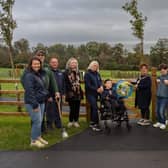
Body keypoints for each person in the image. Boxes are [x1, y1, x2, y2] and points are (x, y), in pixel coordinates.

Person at [21, 57, 49, 148]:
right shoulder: (29, 75)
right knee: (36, 121)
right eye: (35, 64)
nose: (37, 65)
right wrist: (34, 104)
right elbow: (29, 91)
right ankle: (33, 141)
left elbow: (41, 87)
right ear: (31, 65)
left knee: (39, 121)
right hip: (33, 102)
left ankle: (38, 137)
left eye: (38, 63)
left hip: (41, 100)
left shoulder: (38, 74)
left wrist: (45, 94)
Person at [35, 50, 60, 133]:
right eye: (39, 55)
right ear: (36, 56)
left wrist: (56, 91)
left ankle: (42, 129)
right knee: (37, 113)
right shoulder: (33, 66)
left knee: (43, 112)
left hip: (45, 94)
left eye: (42, 55)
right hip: (35, 94)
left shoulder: (47, 68)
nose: (41, 56)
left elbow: (52, 81)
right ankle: (37, 131)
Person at [46, 57, 65, 130]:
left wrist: (63, 94)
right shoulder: (48, 72)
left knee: (58, 109)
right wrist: (48, 96)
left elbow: (63, 84)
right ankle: (49, 125)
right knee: (50, 111)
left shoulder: (60, 72)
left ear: (58, 63)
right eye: (53, 62)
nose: (54, 64)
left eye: (56, 62)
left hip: (59, 95)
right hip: (50, 95)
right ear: (50, 63)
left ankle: (58, 124)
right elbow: (46, 85)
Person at [84, 60, 103, 131]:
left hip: (96, 94)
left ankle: (92, 122)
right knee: (95, 108)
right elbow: (88, 85)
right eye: (94, 65)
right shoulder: (87, 74)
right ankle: (95, 124)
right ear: (91, 65)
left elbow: (100, 81)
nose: (95, 66)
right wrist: (96, 89)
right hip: (90, 94)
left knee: (93, 108)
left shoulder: (97, 74)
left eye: (97, 65)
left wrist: (101, 86)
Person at [64, 57, 83, 128]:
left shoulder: (78, 72)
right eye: (72, 63)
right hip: (70, 92)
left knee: (77, 108)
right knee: (72, 108)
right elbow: (65, 83)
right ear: (69, 64)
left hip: (78, 92)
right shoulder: (66, 72)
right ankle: (71, 121)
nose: (74, 64)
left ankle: (76, 121)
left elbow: (80, 81)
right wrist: (67, 91)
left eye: (75, 63)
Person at [153, 63, 168, 130]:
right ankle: (159, 121)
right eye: (161, 70)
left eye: (164, 70)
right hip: (158, 96)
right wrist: (157, 81)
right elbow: (157, 85)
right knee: (157, 110)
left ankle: (163, 123)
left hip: (165, 97)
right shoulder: (159, 77)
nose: (162, 71)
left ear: (167, 69)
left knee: (162, 111)